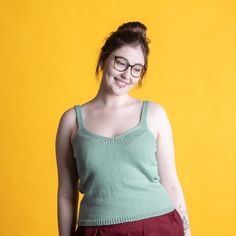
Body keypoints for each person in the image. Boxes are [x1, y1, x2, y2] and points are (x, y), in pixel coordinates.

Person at [55, 21, 191, 236]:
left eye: (137, 69)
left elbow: (171, 183)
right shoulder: (71, 121)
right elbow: (66, 194)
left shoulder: (155, 114)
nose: (127, 74)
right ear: (104, 58)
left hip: (158, 227)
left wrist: (188, 232)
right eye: (121, 63)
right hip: (97, 230)